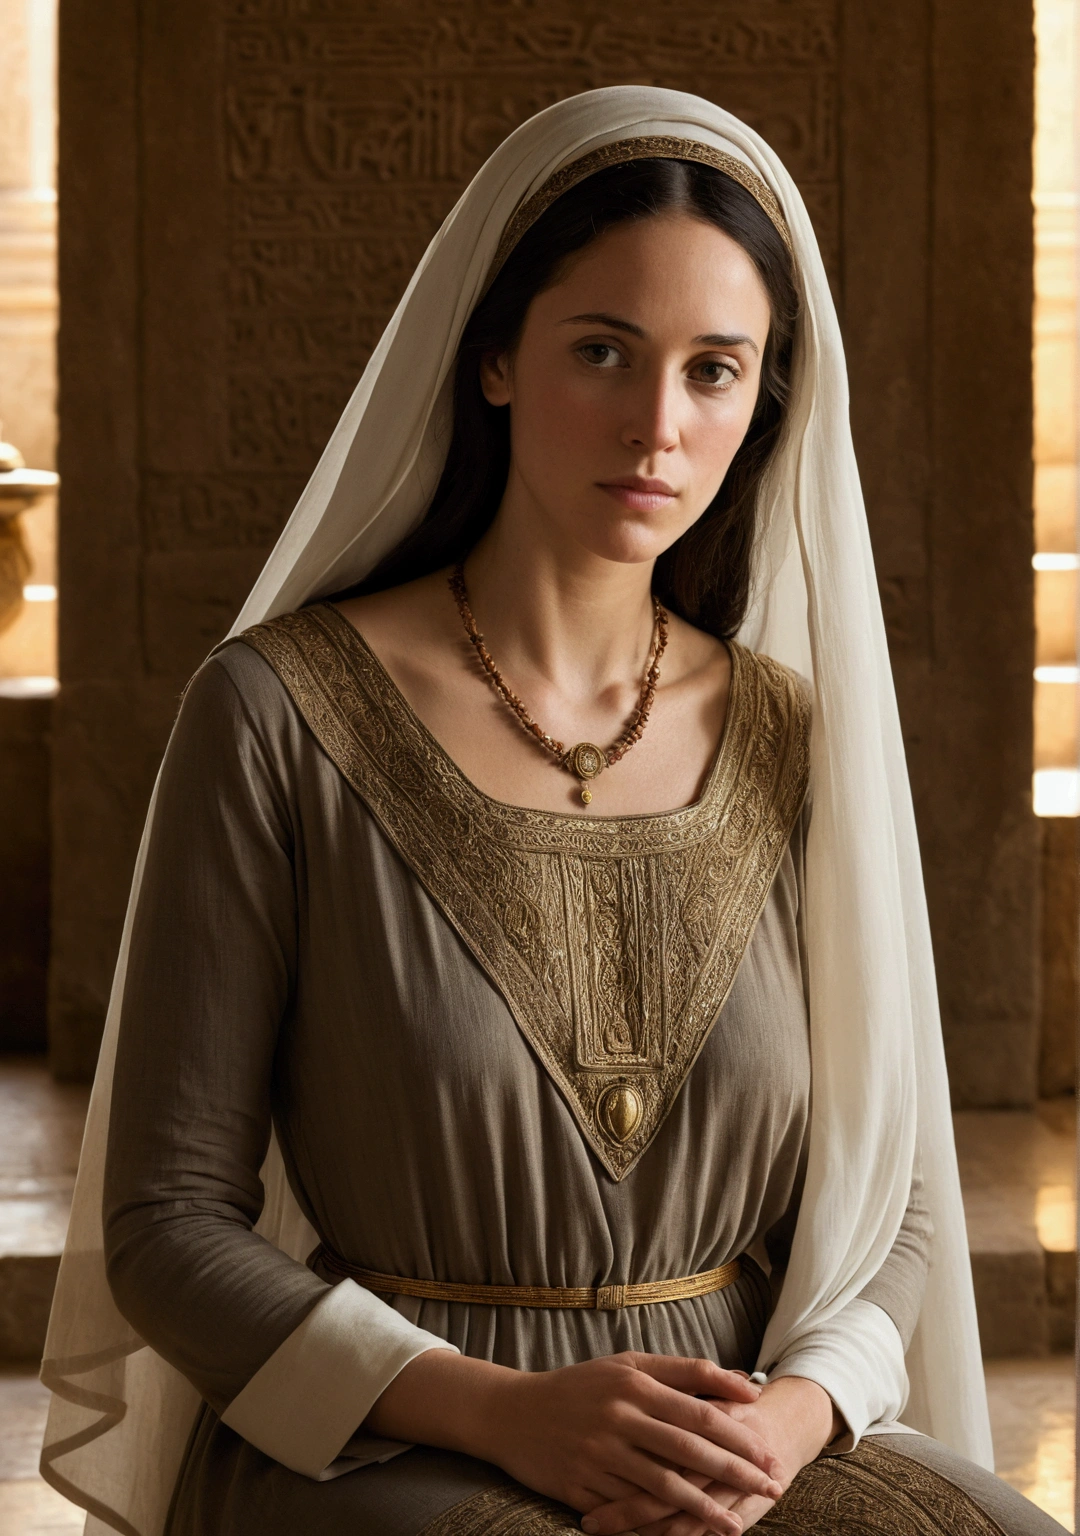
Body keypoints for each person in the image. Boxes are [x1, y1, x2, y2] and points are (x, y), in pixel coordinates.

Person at [39, 88, 1066, 1536]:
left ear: (765, 403)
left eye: (716, 371)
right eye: (604, 352)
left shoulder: (795, 741)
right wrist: (509, 1412)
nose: (660, 425)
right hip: (392, 1439)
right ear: (497, 361)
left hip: (733, 1452)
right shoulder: (276, 715)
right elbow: (164, 1230)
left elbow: (890, 1196)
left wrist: (792, 1414)